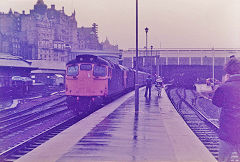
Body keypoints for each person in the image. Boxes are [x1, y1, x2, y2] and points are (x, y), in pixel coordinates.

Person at [212, 58, 240, 162]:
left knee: (224, 159)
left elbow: (216, 102)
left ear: (227, 71)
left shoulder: (224, 87)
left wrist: (224, 83)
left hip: (227, 131)